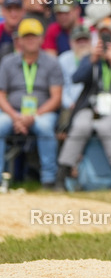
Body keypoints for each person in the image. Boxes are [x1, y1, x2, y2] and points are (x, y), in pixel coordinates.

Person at [57, 17, 111, 187]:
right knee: (80, 124)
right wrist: (92, 60)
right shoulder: (92, 58)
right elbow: (76, 78)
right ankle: (62, 173)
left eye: (110, 36)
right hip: (92, 107)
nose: (106, 41)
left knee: (105, 127)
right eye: (103, 36)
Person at [0, 18, 64, 189]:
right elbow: (1, 95)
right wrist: (16, 117)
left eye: (34, 36)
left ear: (42, 39)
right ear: (18, 40)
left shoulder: (52, 63)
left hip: (42, 113)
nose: (30, 40)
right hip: (12, 113)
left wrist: (33, 116)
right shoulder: (7, 62)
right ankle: (0, 179)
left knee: (44, 127)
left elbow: (56, 98)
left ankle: (48, 180)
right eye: (26, 37)